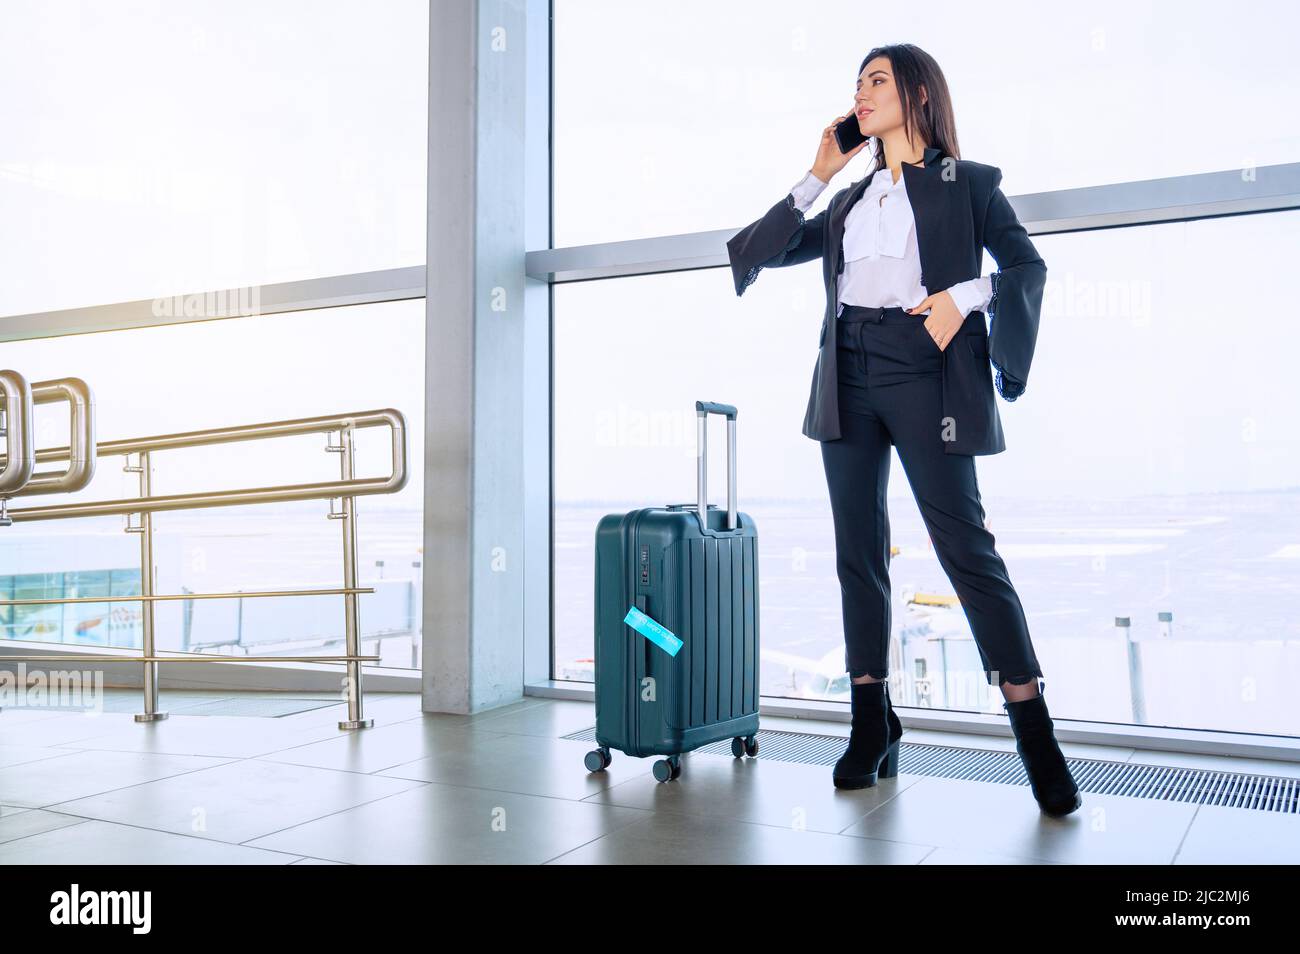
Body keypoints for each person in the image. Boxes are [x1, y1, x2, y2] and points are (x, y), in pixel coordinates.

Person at [725, 43, 1081, 815]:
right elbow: (757, 251)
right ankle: (870, 721)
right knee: (858, 551)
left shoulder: (970, 185)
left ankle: (1036, 736)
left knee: (965, 547)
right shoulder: (849, 202)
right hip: (847, 367)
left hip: (927, 363)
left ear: (919, 94)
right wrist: (821, 170)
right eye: (855, 85)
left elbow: (1027, 269)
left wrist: (965, 295)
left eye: (877, 81)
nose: (861, 94)